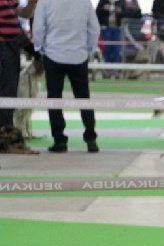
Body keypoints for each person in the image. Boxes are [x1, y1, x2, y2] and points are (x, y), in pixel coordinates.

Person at [32, 0, 101, 153]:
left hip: (53, 53)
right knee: (84, 98)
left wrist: (40, 48)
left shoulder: (45, 2)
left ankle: (59, 140)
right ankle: (91, 138)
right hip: (78, 55)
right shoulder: (84, 2)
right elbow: (94, 28)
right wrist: (88, 49)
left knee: (54, 99)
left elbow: (38, 28)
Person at [0, 0, 38, 130]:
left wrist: (31, 4)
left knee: (8, 94)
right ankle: (5, 133)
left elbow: (22, 13)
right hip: (6, 49)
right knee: (7, 94)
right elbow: (12, 28)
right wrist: (32, 50)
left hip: (9, 49)